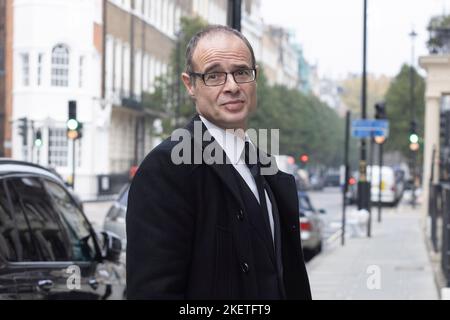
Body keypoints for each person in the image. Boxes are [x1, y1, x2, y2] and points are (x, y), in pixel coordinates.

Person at [126, 25, 311, 300]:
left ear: (254, 78)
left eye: (241, 72)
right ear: (190, 84)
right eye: (214, 75)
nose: (232, 86)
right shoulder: (166, 169)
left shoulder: (264, 167)